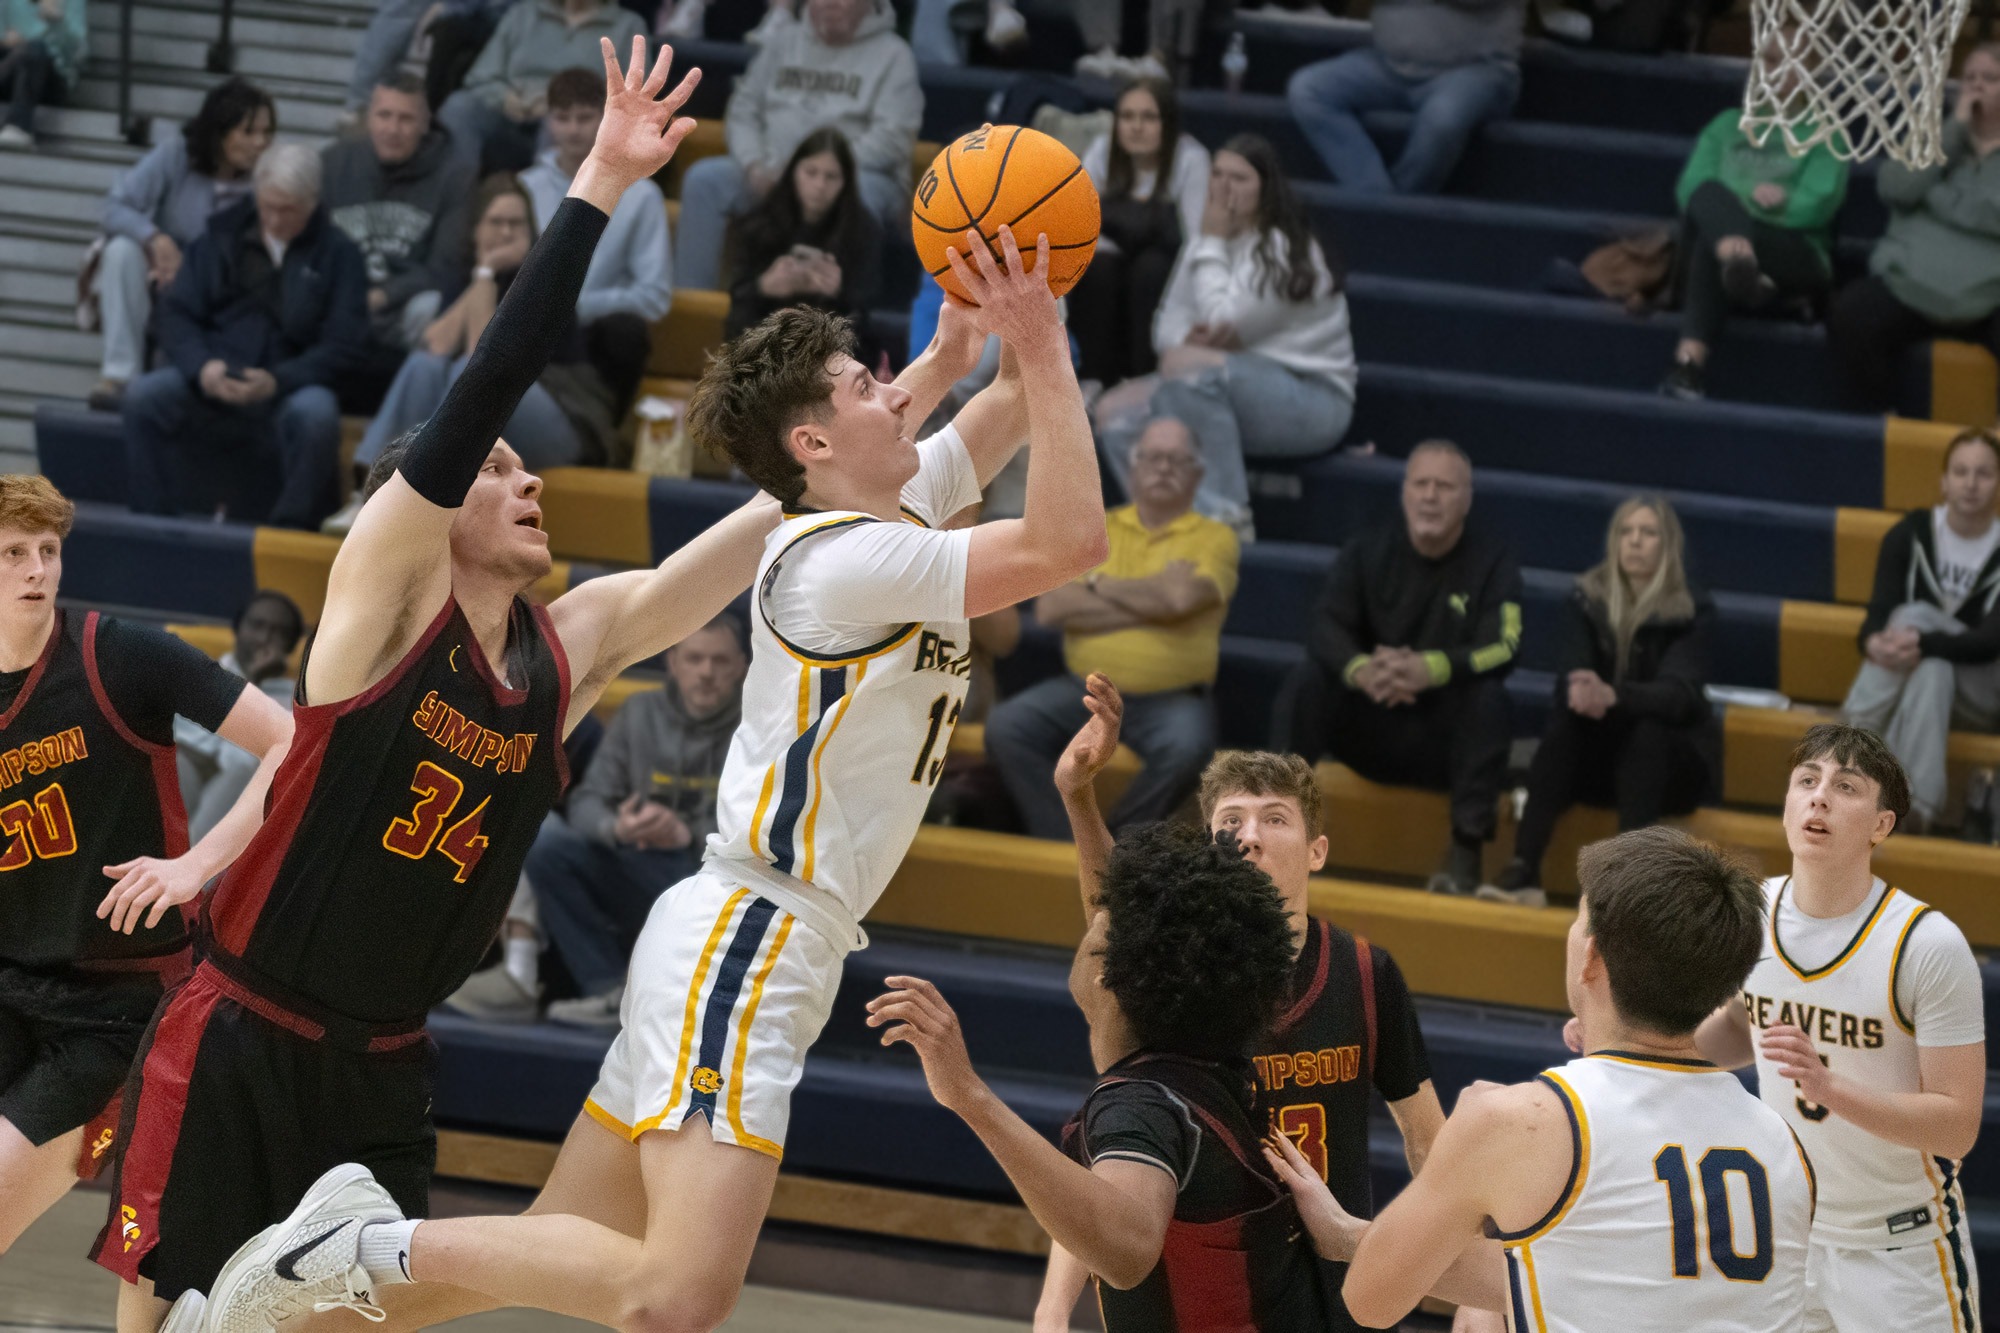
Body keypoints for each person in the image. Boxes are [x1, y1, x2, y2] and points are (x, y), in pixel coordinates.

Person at [205, 208, 1105, 1333]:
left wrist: (1019, 300)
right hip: (749, 929)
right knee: (673, 1296)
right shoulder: (845, 558)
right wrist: (1040, 345)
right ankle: (355, 1241)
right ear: (812, 446)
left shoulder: (887, 507)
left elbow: (1010, 408)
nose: (892, 391)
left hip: (755, 931)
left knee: (541, 1257)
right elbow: (1070, 542)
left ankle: (251, 1323)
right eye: (865, 385)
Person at [84, 40, 772, 1333]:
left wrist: (842, 474)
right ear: (443, 506)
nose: (530, 484)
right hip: (246, 1025)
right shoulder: (381, 610)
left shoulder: (560, 654)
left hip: (385, 1057)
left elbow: (704, 573)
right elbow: (485, 385)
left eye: (529, 472)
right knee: (165, 1321)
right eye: (503, 473)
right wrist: (603, 181)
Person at [1269, 825, 1815, 1332]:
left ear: (1592, 958)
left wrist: (1465, 1152)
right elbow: (1597, 1275)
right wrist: (1345, 1234)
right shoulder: (1786, 1145)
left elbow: (1370, 1302)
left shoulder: (1519, 1121)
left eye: (1579, 920)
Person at [1034, 688, 1444, 1333]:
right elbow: (1114, 1143)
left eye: (1275, 818)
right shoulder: (1176, 970)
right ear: (1209, 845)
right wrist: (1053, 1307)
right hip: (1200, 1284)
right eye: (1230, 821)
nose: (1249, 837)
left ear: (1317, 850)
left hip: (1335, 1281)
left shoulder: (1365, 973)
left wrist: (1474, 1277)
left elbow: (1428, 1142)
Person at [0, 475, 293, 1267]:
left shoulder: (116, 655)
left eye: (49, 551)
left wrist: (196, 864)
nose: (37, 570)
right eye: (14, 554)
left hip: (116, 1007)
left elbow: (293, 744)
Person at [888, 822, 1336, 1331]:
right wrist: (1077, 797)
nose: (1090, 925)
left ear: (1107, 970)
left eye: (1099, 926)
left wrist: (969, 1096)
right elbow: (1133, 902)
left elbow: (1128, 1248)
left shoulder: (1144, 1104)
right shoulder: (1213, 1072)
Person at [1695, 724, 1985, 1332]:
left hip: (1900, 1250)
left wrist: (1831, 1090)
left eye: (1846, 786)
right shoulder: (1751, 912)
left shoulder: (1926, 944)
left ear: (1882, 824)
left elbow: (1957, 1128)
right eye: (1807, 781)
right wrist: (1637, 1042)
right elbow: (1736, 1031)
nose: (1819, 797)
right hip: (1790, 1238)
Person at [447, 612, 749, 1026]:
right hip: (633, 865)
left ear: (743, 668)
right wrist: (617, 826)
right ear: (673, 663)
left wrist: (688, 833)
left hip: (713, 879)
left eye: (720, 661)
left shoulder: (757, 731)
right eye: (695, 659)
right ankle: (605, 986)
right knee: (545, 837)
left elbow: (763, 828)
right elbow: (588, 802)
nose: (707, 672)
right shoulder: (639, 714)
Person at [1279, 441, 1520, 897]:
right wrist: (1361, 670)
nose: (1431, 495)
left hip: (1441, 743)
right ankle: (1277, 831)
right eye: (1421, 484)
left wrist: (1432, 669)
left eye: (1445, 486)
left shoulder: (1493, 562)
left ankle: (1465, 859)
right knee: (1308, 681)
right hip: (1370, 724)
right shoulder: (1366, 551)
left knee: (1490, 700)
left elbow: (1505, 647)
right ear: (1405, 492)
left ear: (1466, 499)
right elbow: (1324, 623)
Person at [987, 417, 1236, 839]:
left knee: (1189, 750)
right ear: (1133, 468)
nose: (1163, 468)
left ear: (1196, 474)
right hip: (1083, 691)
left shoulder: (1216, 538)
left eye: (1177, 460)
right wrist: (1154, 602)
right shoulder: (1096, 527)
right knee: (1007, 727)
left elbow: (1181, 600)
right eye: (1153, 458)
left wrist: (1096, 586)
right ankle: (1067, 843)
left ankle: (1115, 853)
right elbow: (1052, 608)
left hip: (1170, 701)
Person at [1095, 136, 1355, 540]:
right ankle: (1161, 527)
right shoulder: (1205, 243)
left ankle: (1225, 522)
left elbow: (1224, 319)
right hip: (1227, 382)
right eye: (1217, 174)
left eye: (1239, 178)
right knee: (1113, 411)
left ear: (1266, 189)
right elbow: (1165, 327)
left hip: (1312, 400)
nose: (1223, 187)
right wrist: (1192, 339)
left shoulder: (1286, 249)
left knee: (1185, 368)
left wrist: (1212, 241)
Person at [121, 143, 368, 532]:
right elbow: (175, 313)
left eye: (287, 210)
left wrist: (279, 380)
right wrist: (201, 366)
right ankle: (152, 523)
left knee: (316, 416)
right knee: (142, 398)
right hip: (213, 372)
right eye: (267, 205)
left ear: (312, 203)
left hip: (289, 384)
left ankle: (288, 532)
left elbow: (345, 345)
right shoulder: (219, 237)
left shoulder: (341, 256)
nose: (273, 218)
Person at [1484, 495, 1715, 906]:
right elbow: (1571, 676)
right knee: (1567, 723)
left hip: (1668, 770)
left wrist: (1615, 696)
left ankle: (1628, 885)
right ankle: (1523, 868)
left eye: (1648, 533)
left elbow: (1680, 697)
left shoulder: (1692, 608)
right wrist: (1579, 688)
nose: (1635, 542)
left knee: (1649, 730)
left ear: (1668, 546)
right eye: (1625, 532)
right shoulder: (1585, 598)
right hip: (1601, 764)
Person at [349, 174, 617, 490]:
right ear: (475, 230)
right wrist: (483, 274)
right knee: (424, 366)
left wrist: (487, 271)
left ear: (530, 230)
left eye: (515, 223)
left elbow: (484, 363)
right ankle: (372, 491)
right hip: (498, 418)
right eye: (495, 222)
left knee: (465, 373)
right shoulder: (466, 274)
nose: (505, 232)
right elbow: (435, 343)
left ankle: (432, 493)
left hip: (560, 423)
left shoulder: (546, 281)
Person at [675, 0, 921, 290]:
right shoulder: (782, 42)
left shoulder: (894, 54)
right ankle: (693, 305)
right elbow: (743, 112)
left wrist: (814, 172)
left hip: (853, 175)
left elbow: (891, 138)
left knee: (857, 192)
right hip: (770, 171)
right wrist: (755, 164)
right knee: (705, 180)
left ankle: (833, 318)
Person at [1658, 48, 1849, 401]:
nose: (1776, 69)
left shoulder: (1826, 133)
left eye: (1792, 60)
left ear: (1812, 71)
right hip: (1726, 238)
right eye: (1770, 59)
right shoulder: (1728, 123)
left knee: (1713, 236)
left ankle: (1688, 367)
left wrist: (1782, 202)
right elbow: (1692, 189)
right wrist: (1747, 200)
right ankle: (1739, 262)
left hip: (1794, 250)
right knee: (1710, 202)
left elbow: (1817, 207)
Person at [1842, 428, 2000, 834]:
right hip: (1923, 675)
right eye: (1961, 472)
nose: (1970, 483)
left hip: (1985, 691)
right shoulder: (1911, 532)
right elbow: (1877, 613)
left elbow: (1989, 642)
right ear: (1944, 481)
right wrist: (1874, 641)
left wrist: (1920, 639)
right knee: (1934, 670)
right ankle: (1917, 808)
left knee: (1916, 615)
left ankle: (1849, 747)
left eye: (1984, 473)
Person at [1828, 45, 2000, 414]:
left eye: (1990, 79)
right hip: (1911, 286)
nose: (1976, 87)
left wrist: (1935, 195)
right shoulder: (1934, 138)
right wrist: (1953, 131)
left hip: (1989, 295)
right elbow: (1894, 188)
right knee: (1852, 312)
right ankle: (1878, 424)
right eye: (1969, 78)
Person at [92, 77, 275, 409]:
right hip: (165, 274)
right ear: (220, 132)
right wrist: (154, 236)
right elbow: (113, 207)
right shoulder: (177, 154)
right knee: (121, 251)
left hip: (229, 289)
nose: (260, 143)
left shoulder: (270, 178)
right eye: (249, 132)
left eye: (266, 133)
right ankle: (120, 376)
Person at [519, 65, 673, 416]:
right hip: (529, 328)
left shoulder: (643, 195)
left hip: (594, 337)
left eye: (584, 118)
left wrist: (575, 308)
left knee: (626, 333)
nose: (573, 129)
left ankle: (601, 438)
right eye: (562, 118)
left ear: (606, 118)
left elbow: (655, 297)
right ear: (548, 122)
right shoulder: (525, 186)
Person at [322, 72, 478, 405]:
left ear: (425, 123)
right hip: (341, 300)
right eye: (384, 116)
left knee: (432, 305)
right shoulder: (333, 163)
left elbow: (446, 267)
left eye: (405, 118)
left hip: (407, 306)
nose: (392, 129)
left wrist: (385, 294)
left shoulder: (455, 175)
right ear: (369, 117)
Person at [1285, 0, 1523, 194]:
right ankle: (1377, 198)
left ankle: (1402, 208)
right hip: (1389, 66)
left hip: (1476, 71)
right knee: (1309, 89)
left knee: (1442, 117)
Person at [1069, 77, 1210, 388]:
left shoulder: (1191, 159)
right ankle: (1093, 381)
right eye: (1127, 117)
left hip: (1164, 268)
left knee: (1149, 269)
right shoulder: (1102, 151)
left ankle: (1142, 379)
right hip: (1112, 260)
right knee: (1099, 268)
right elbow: (1074, 221)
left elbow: (1196, 242)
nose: (1136, 127)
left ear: (1168, 123)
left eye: (1149, 117)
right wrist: (1104, 247)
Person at [438, 0, 646, 176]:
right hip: (510, 114)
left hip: (573, 118)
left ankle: (548, 216)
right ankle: (454, 199)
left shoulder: (627, 26)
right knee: (459, 108)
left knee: (559, 123)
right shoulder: (523, 14)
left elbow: (632, 96)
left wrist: (556, 103)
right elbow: (480, 77)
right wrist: (505, 98)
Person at [724, 127, 882, 346]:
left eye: (831, 177)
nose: (819, 185)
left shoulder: (864, 231)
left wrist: (839, 294)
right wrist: (764, 286)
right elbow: (737, 295)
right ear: (793, 172)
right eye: (811, 172)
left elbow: (866, 313)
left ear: (846, 182)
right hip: (764, 336)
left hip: (829, 346)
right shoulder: (759, 222)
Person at [174, 591, 306, 843]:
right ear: (239, 628)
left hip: (239, 781)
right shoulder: (203, 669)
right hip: (188, 761)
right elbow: (187, 737)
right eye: (257, 626)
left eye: (278, 632)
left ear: (288, 645)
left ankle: (194, 870)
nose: (264, 639)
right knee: (179, 764)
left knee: (244, 770)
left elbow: (246, 758)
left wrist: (253, 681)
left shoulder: (292, 697)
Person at [0, 0, 85, 151]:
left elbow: (79, 52)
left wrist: (58, 21)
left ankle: (19, 126)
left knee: (35, 50)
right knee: (24, 52)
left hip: (51, 77)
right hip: (10, 69)